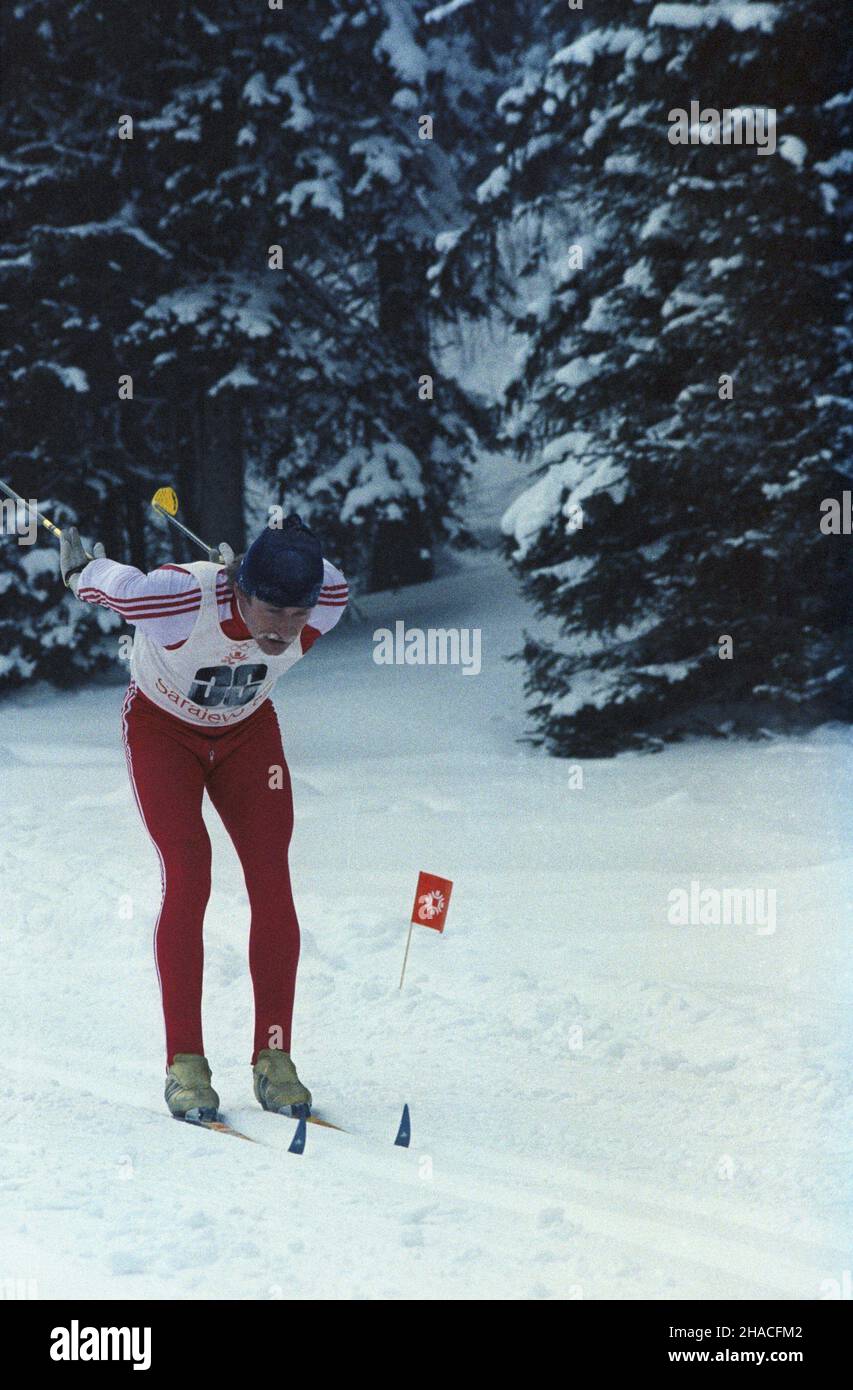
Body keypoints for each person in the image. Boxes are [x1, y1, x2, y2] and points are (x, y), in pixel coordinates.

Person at [59, 515, 348, 1122]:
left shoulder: (330, 597)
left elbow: (295, 608)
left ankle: (274, 1060)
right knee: (191, 872)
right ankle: (185, 1063)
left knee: (272, 878)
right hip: (164, 734)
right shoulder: (176, 597)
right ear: (241, 589)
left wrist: (259, 590)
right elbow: (114, 582)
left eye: (298, 616)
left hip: (247, 740)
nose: (285, 632)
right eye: (272, 612)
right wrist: (82, 568)